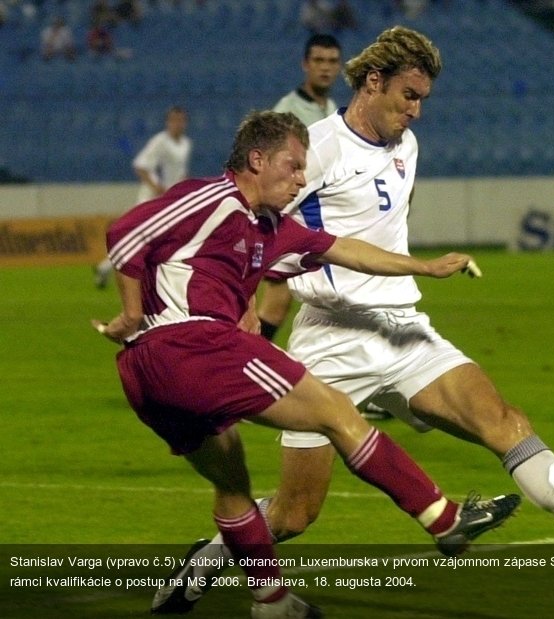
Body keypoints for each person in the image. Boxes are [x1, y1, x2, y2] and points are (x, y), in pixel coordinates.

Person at [155, 27, 554, 614]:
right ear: (373, 82)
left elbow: (384, 233)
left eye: (423, 100)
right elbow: (254, 226)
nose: (415, 110)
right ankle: (207, 557)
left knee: (502, 419)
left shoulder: (407, 147)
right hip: (331, 340)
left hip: (403, 328)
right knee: (296, 512)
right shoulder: (318, 148)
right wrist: (245, 310)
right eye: (408, 96)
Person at [94, 109, 520, 619]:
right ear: (256, 159)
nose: (301, 179)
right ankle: (445, 520)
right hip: (191, 346)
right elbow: (124, 232)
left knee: (232, 484)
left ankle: (270, 601)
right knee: (337, 412)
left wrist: (424, 266)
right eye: (293, 167)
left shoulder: (272, 228)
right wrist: (132, 312)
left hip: (149, 375)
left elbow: (348, 251)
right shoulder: (213, 197)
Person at [258, 34, 342, 342]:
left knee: (292, 301)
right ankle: (243, 363)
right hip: (290, 215)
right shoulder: (288, 111)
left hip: (319, 219)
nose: (325, 68)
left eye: (332, 61)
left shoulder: (332, 108)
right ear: (305, 65)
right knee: (279, 296)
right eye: (318, 61)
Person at [95, 106, 192, 288]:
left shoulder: (185, 144)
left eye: (181, 120)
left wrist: (182, 188)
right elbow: (140, 166)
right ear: (168, 122)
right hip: (151, 199)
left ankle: (106, 268)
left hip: (170, 201)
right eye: (174, 120)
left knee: (153, 240)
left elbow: (181, 171)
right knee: (139, 240)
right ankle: (112, 268)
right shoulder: (160, 142)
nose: (177, 124)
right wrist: (157, 187)